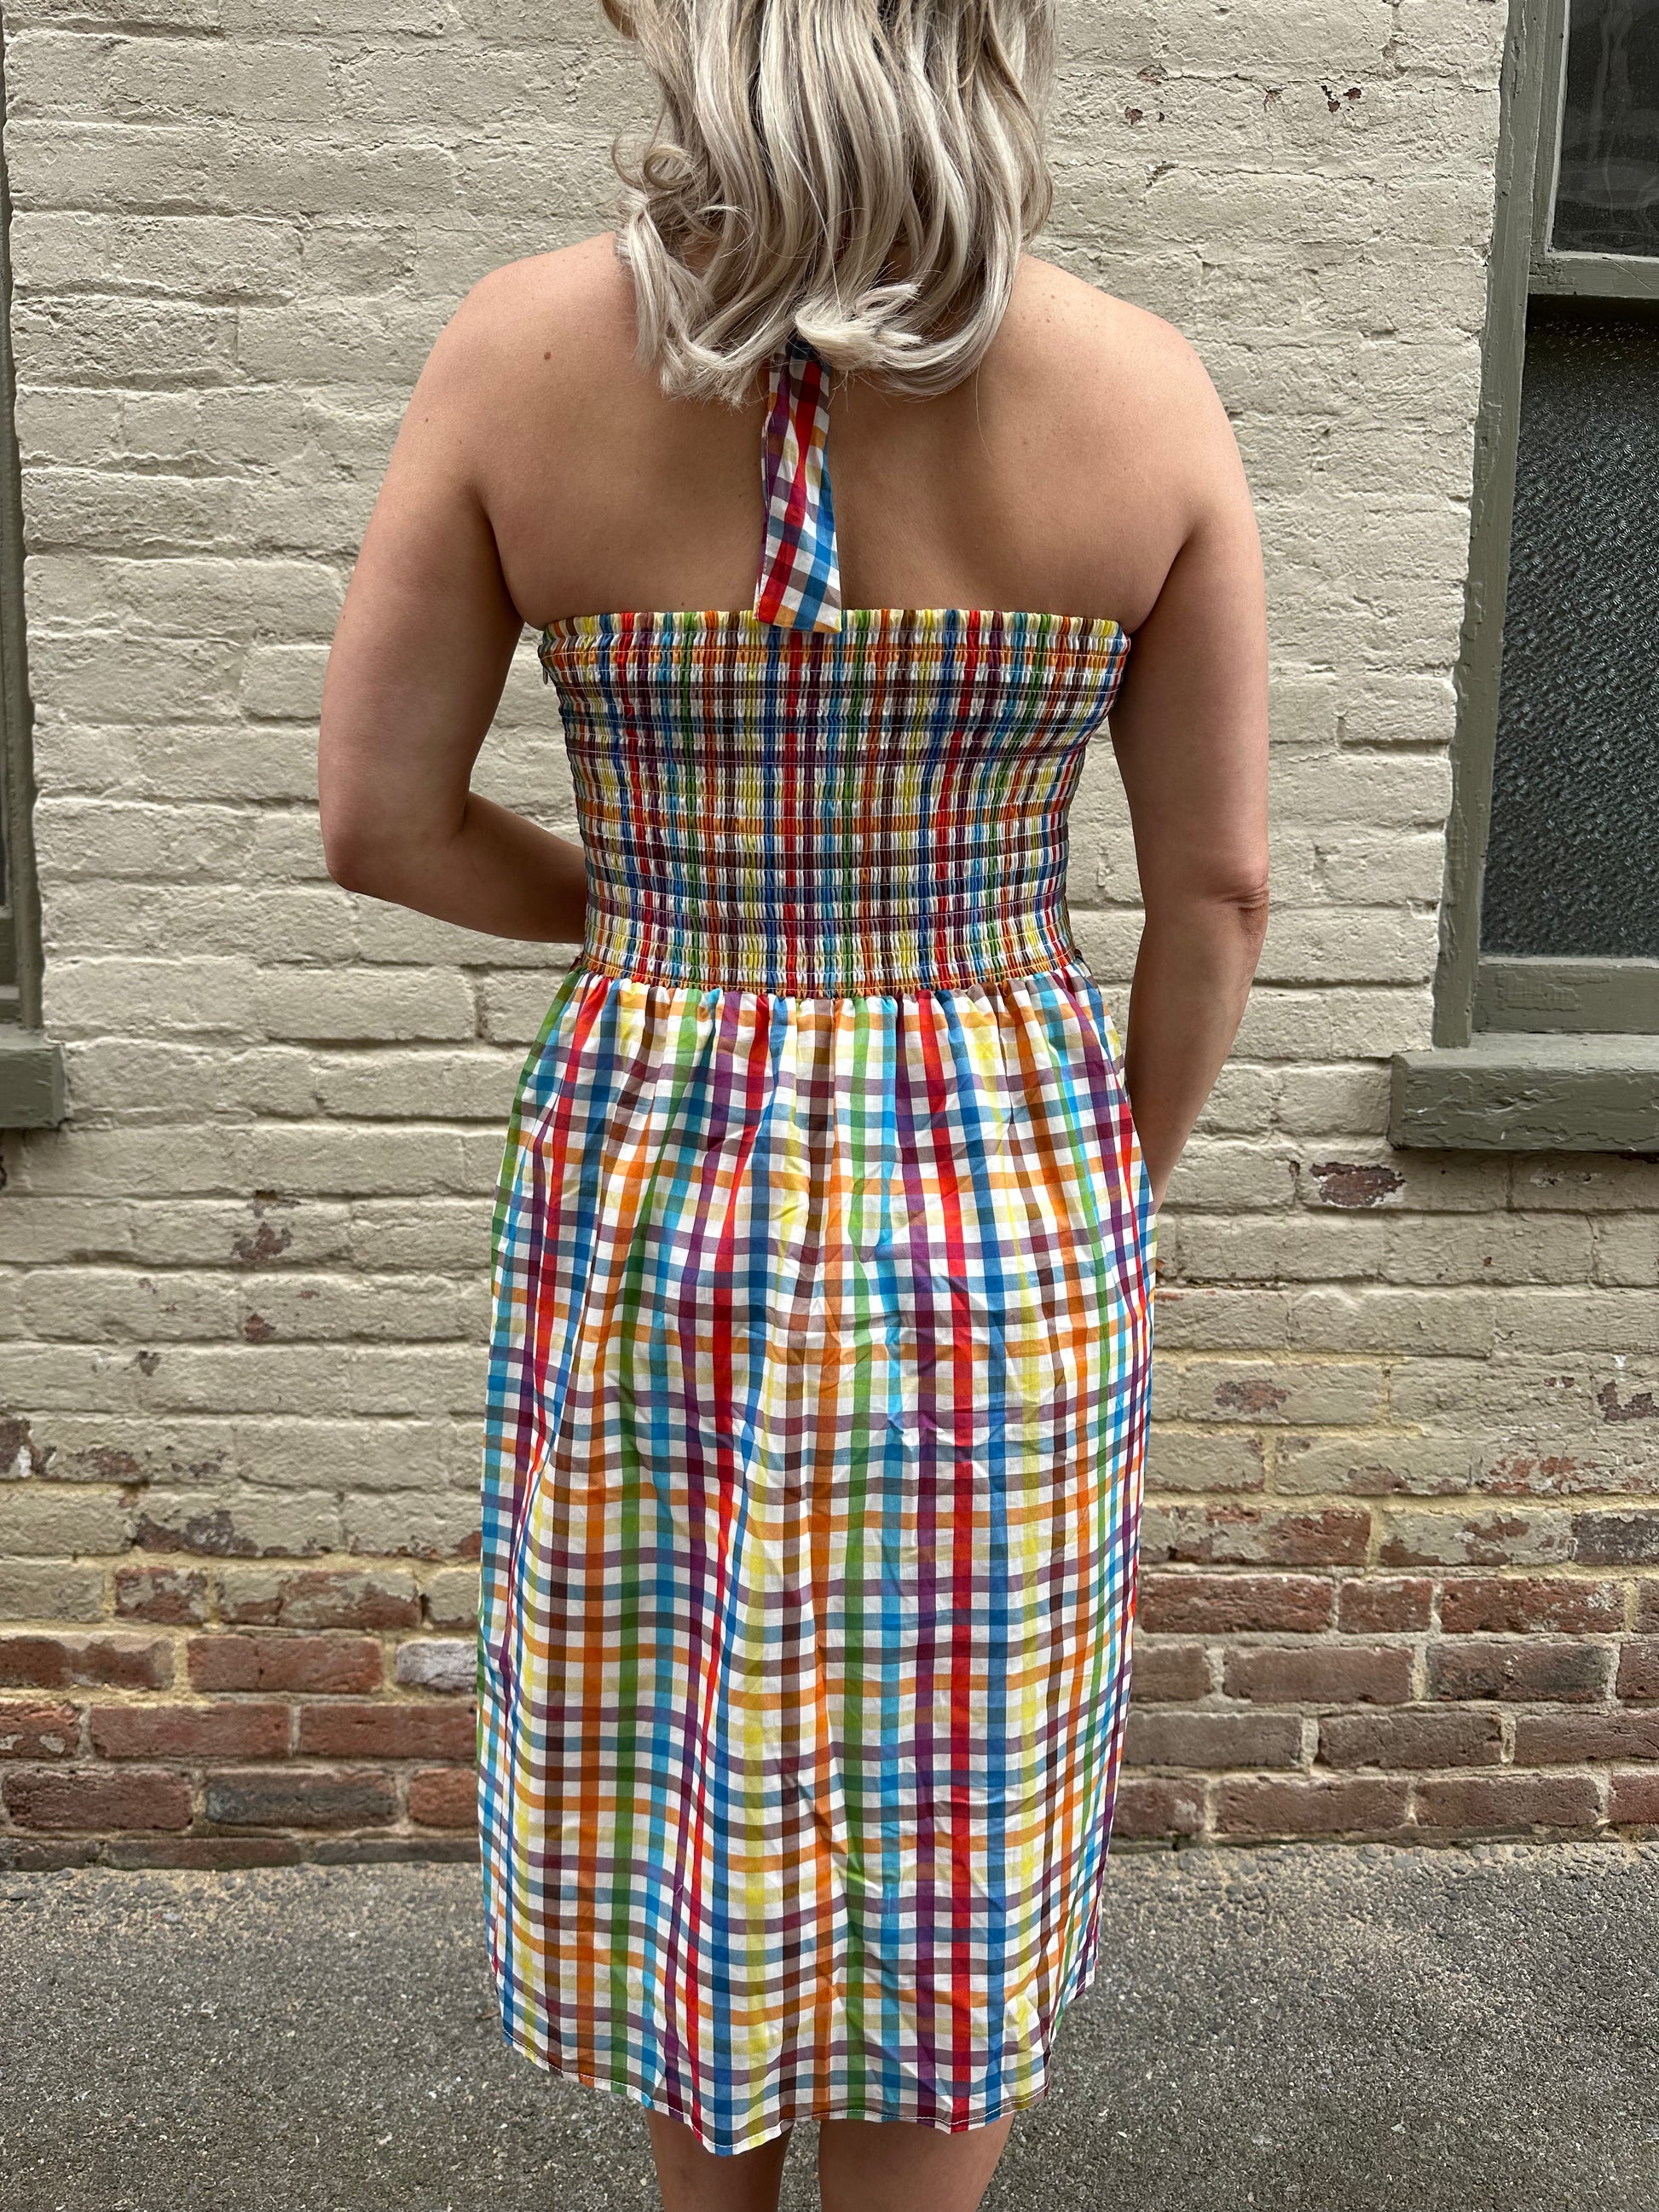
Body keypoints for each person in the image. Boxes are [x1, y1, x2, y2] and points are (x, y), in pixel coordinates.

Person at [318, 3, 1269, 2205]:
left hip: (658, 1159)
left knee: (693, 1735)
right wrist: (1093, 1194)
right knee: (951, 1783)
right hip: (1005, 1182)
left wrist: (663, 912)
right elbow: (1214, 892)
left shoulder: (516, 356)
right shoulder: (1139, 386)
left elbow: (381, 824)